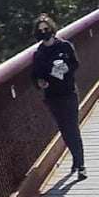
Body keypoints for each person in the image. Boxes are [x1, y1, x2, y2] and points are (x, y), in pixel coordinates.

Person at [31, 14, 85, 180]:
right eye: (41, 30)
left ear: (52, 29)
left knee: (72, 128)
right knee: (64, 129)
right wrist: (40, 83)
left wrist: (67, 68)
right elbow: (35, 76)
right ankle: (76, 158)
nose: (44, 32)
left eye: (46, 29)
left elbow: (75, 63)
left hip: (68, 92)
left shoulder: (64, 46)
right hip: (52, 97)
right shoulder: (38, 54)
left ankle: (80, 164)